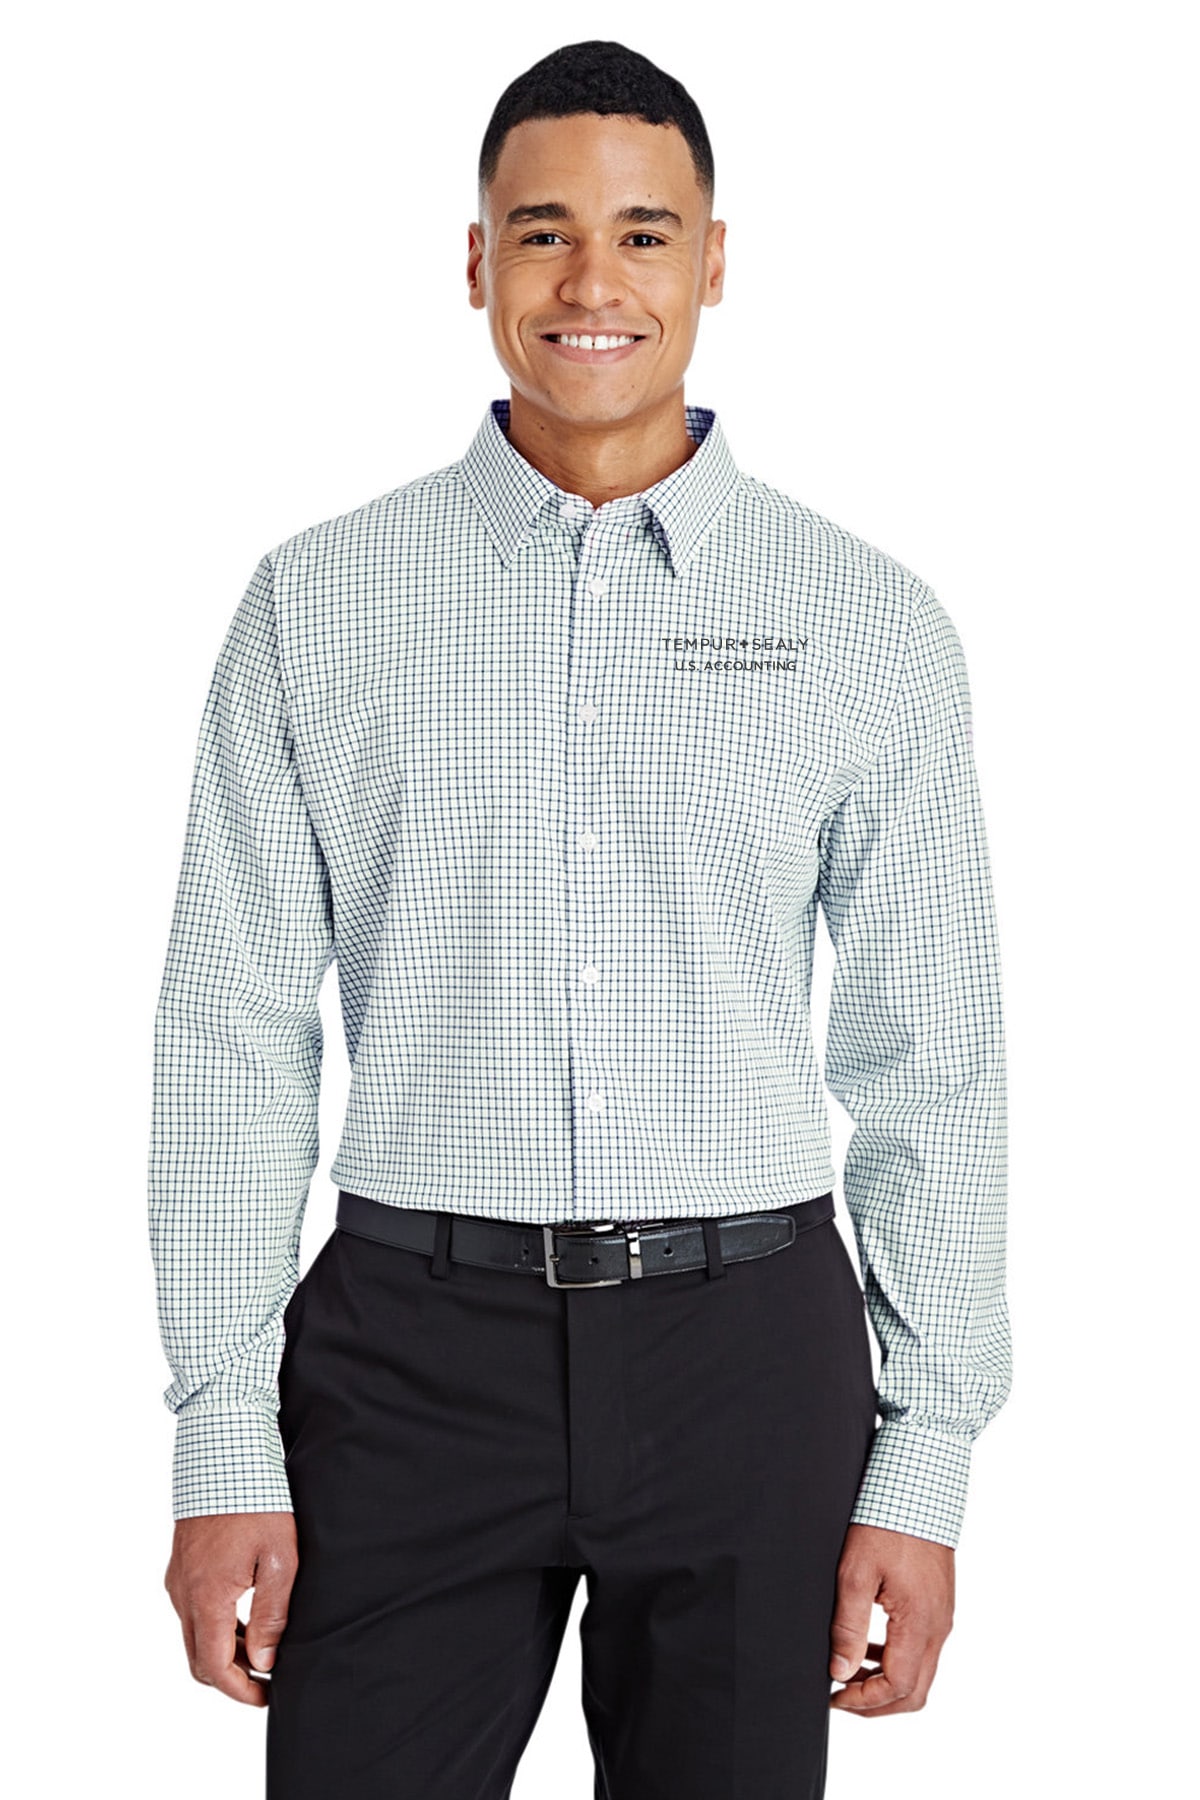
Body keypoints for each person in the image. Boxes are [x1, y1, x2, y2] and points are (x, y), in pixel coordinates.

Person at [150, 38, 1010, 1800]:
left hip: (748, 1356)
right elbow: (231, 1035)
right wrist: (222, 1436)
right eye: (543, 234)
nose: (591, 283)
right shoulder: (319, 605)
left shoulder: (868, 622)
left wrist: (925, 1467)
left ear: (715, 262)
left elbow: (932, 1060)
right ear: (476, 263)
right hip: (407, 1357)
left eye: (643, 234)